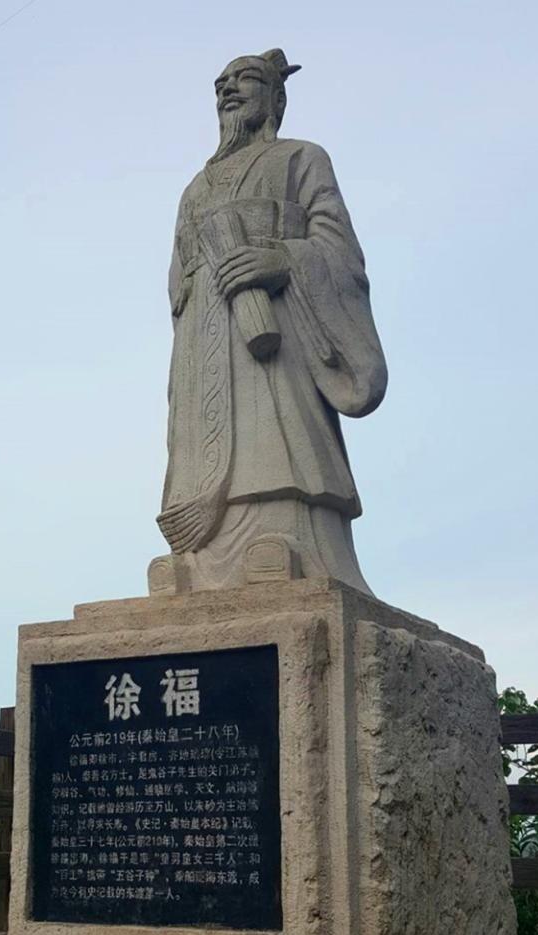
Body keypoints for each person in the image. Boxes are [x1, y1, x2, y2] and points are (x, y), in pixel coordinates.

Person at [149, 48, 387, 595]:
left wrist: (283, 260)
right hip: (206, 335)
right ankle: (199, 555)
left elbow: (338, 248)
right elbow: (178, 278)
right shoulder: (195, 189)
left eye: (246, 79)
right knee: (199, 430)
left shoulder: (302, 158)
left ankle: (285, 531)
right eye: (221, 84)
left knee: (270, 420)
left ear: (277, 97)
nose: (229, 90)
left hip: (273, 330)